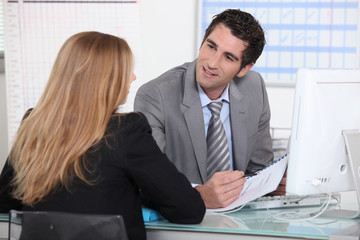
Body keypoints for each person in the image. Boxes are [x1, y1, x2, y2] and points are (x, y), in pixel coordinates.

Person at [0, 32, 205, 240]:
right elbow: (189, 209)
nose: (133, 77)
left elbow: (5, 202)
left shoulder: (33, 124)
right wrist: (142, 192)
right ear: (107, 80)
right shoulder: (126, 130)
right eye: (127, 71)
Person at [134, 9, 276, 209]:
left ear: (245, 68)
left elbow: (259, 170)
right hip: (180, 221)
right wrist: (198, 195)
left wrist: (274, 184)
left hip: (239, 219)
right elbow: (149, 181)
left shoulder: (254, 87)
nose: (211, 63)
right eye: (211, 47)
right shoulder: (155, 95)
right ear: (203, 40)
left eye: (228, 57)